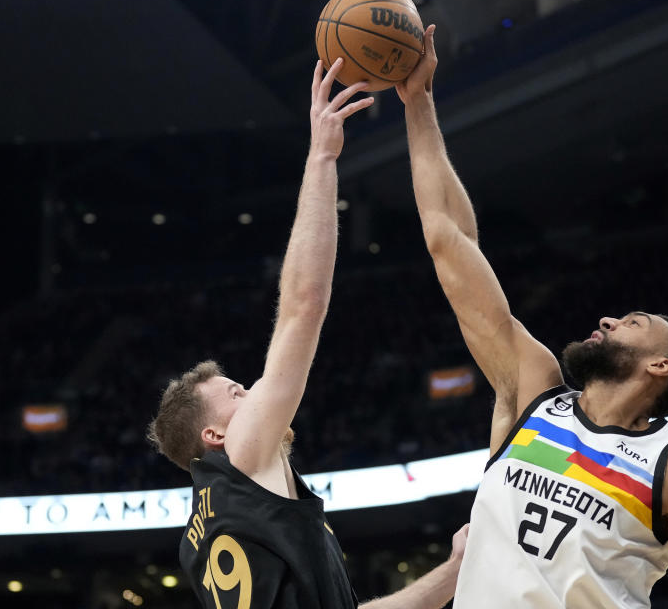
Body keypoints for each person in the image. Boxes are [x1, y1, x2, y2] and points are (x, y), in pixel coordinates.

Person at [395, 26, 668, 608]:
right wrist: (419, 104)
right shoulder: (531, 390)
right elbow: (450, 239)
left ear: (661, 365)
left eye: (634, 322)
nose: (610, 321)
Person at [148, 58, 467, 609]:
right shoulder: (244, 463)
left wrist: (456, 571)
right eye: (237, 395)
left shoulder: (205, 531)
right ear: (215, 438)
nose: (254, 391)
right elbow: (303, 306)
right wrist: (322, 156)